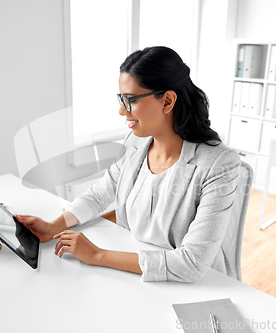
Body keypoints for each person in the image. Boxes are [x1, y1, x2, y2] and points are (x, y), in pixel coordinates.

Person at [15, 46, 240, 283]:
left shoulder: (219, 164)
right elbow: (100, 194)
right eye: (121, 99)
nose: (122, 110)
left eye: (131, 100)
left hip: (194, 285)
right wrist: (53, 227)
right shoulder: (135, 143)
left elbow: (191, 264)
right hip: (135, 271)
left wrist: (97, 255)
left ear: (167, 101)